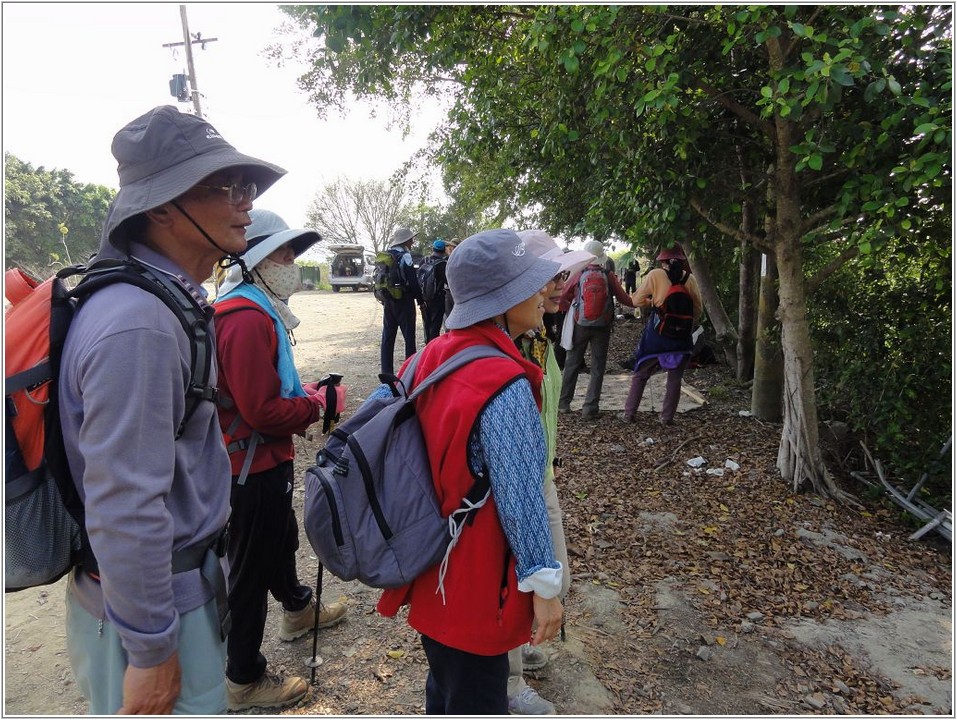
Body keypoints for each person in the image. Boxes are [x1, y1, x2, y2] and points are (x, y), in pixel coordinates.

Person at [57, 105, 285, 714]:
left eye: (249, 188)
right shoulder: (140, 324)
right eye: (229, 186)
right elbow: (126, 506)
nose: (246, 202)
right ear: (160, 208)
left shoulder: (156, 303)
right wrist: (154, 651)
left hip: (170, 594)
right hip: (152, 612)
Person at [376, 229, 564, 714]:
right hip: (477, 584)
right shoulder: (503, 381)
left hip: (428, 564)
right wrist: (546, 590)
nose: (544, 292)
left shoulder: (428, 357)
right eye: (533, 283)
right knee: (476, 698)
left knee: (445, 689)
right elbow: (523, 500)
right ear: (500, 301)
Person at [214, 209, 348, 711]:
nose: (293, 263)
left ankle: (295, 607)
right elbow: (262, 410)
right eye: (284, 253)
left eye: (294, 253)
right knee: (248, 568)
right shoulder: (246, 318)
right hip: (248, 466)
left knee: (279, 539)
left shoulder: (254, 306)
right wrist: (315, 405)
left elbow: (264, 394)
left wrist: (308, 394)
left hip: (259, 461)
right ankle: (243, 677)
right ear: (253, 260)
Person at [506, 230, 593, 715]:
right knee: (528, 572)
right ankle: (508, 683)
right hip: (518, 479)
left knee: (550, 573)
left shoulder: (538, 335)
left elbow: (545, 410)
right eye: (549, 276)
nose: (559, 286)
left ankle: (521, 644)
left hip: (541, 471)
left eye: (564, 275)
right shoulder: (509, 343)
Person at [620, 244, 703, 426]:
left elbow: (636, 300)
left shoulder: (655, 275)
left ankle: (629, 414)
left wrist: (654, 303)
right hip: (682, 339)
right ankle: (666, 418)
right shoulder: (691, 279)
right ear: (682, 261)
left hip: (657, 337)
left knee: (641, 373)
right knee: (675, 379)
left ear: (662, 261)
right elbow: (698, 310)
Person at [557, 240, 635, 420]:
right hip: (602, 325)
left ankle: (563, 404)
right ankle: (590, 408)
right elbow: (624, 298)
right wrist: (639, 301)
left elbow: (563, 297)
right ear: (601, 257)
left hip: (580, 323)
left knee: (572, 363)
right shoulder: (608, 275)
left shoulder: (578, 274)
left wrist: (571, 308)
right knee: (598, 366)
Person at [380, 227, 421, 375]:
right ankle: (409, 371)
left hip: (388, 300)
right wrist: (421, 300)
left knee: (388, 336)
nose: (412, 241)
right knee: (409, 336)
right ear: (406, 241)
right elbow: (413, 281)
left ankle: (386, 372)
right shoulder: (405, 257)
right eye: (411, 239)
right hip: (405, 301)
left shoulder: (387, 256)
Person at [419, 238, 448, 343]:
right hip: (437, 299)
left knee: (427, 324)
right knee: (435, 326)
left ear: (433, 249)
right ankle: (433, 347)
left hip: (424, 298)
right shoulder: (442, 263)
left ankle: (427, 344)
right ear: (444, 250)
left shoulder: (425, 260)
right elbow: (447, 281)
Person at [442, 238, 459, 330]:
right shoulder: (446, 260)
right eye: (448, 246)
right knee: (448, 316)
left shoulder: (456, 260)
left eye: (452, 246)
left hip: (455, 292)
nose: (449, 248)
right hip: (448, 291)